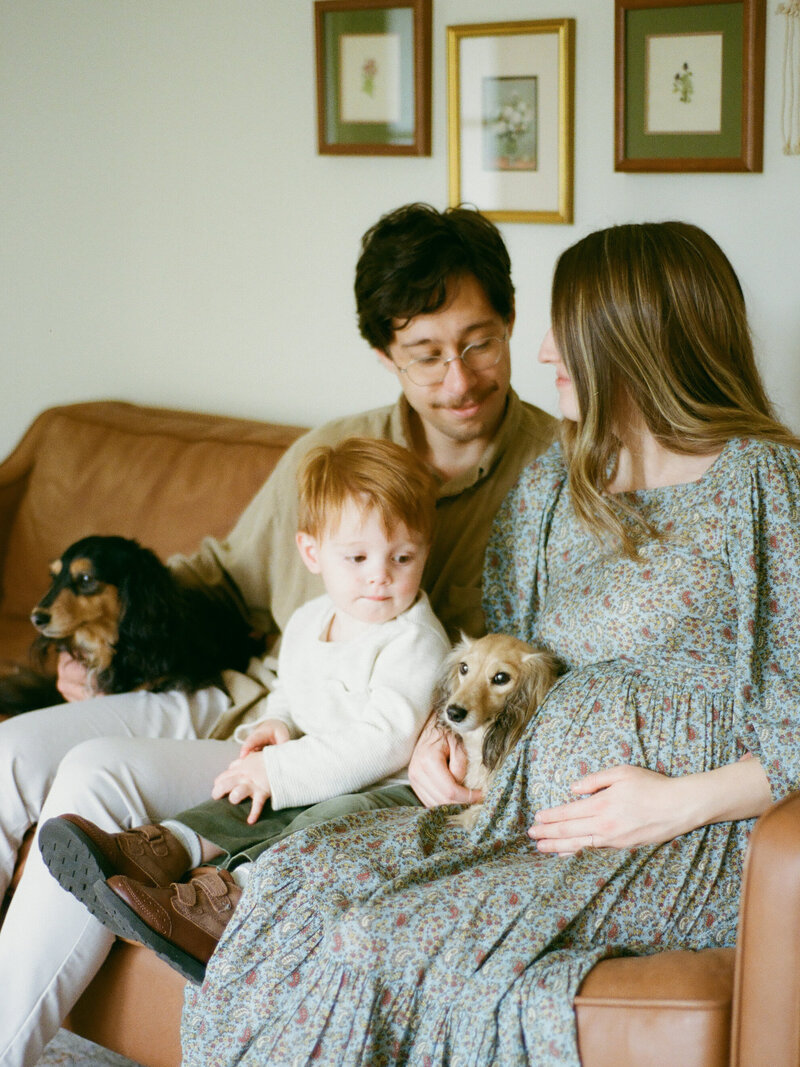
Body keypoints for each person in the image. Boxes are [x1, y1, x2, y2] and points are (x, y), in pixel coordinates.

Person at [179, 221, 800, 1067]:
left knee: (380, 938)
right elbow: (493, 659)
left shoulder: (765, 481)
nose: (544, 349)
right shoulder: (554, 480)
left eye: (566, 328)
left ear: (638, 337)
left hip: (680, 835)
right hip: (517, 811)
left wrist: (681, 800)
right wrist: (449, 741)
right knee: (294, 879)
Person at [0, 202, 555, 1065]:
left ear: (514, 322)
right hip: (250, 702)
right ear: (384, 353)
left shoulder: (556, 476)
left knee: (95, 774)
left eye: (480, 342)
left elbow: (534, 667)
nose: (460, 379)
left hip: (347, 757)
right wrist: (104, 647)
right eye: (427, 353)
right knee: (8, 757)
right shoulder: (335, 453)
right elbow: (221, 578)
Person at [41, 436, 450, 981]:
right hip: (312, 762)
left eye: (403, 557)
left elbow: (384, 739)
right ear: (312, 553)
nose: (381, 575)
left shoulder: (414, 640)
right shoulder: (309, 618)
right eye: (356, 558)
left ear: (424, 550)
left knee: (319, 824)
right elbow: (290, 684)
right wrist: (275, 723)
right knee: (240, 793)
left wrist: (280, 771)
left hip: (386, 787)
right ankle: (162, 849)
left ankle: (226, 901)